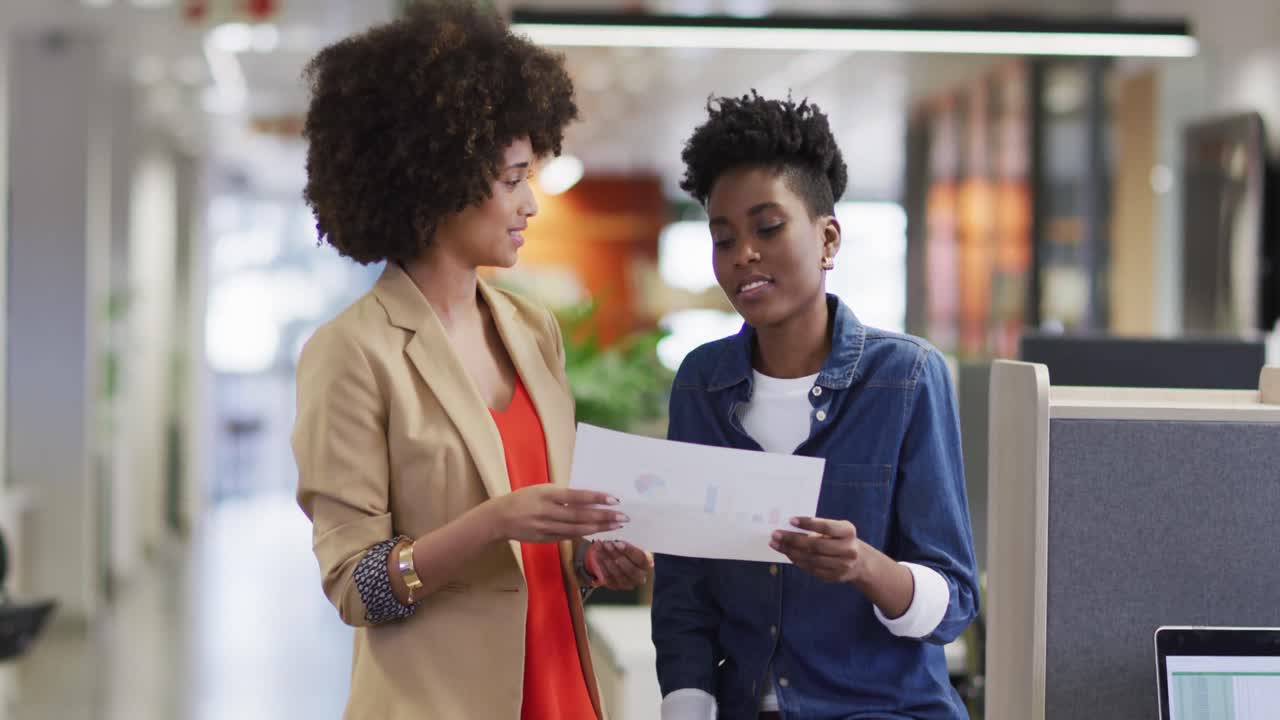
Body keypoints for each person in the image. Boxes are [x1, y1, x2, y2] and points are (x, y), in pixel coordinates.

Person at [292, 3, 651, 718]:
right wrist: (492, 522)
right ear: (439, 178)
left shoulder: (532, 330)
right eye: (513, 178)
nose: (530, 204)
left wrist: (589, 561)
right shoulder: (352, 352)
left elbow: (533, 561)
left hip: (561, 686)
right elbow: (354, 585)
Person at [651, 92, 979, 720]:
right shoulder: (701, 383)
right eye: (723, 238)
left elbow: (956, 602)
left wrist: (865, 567)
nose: (743, 253)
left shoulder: (907, 378)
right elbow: (683, 591)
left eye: (767, 228)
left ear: (828, 238)